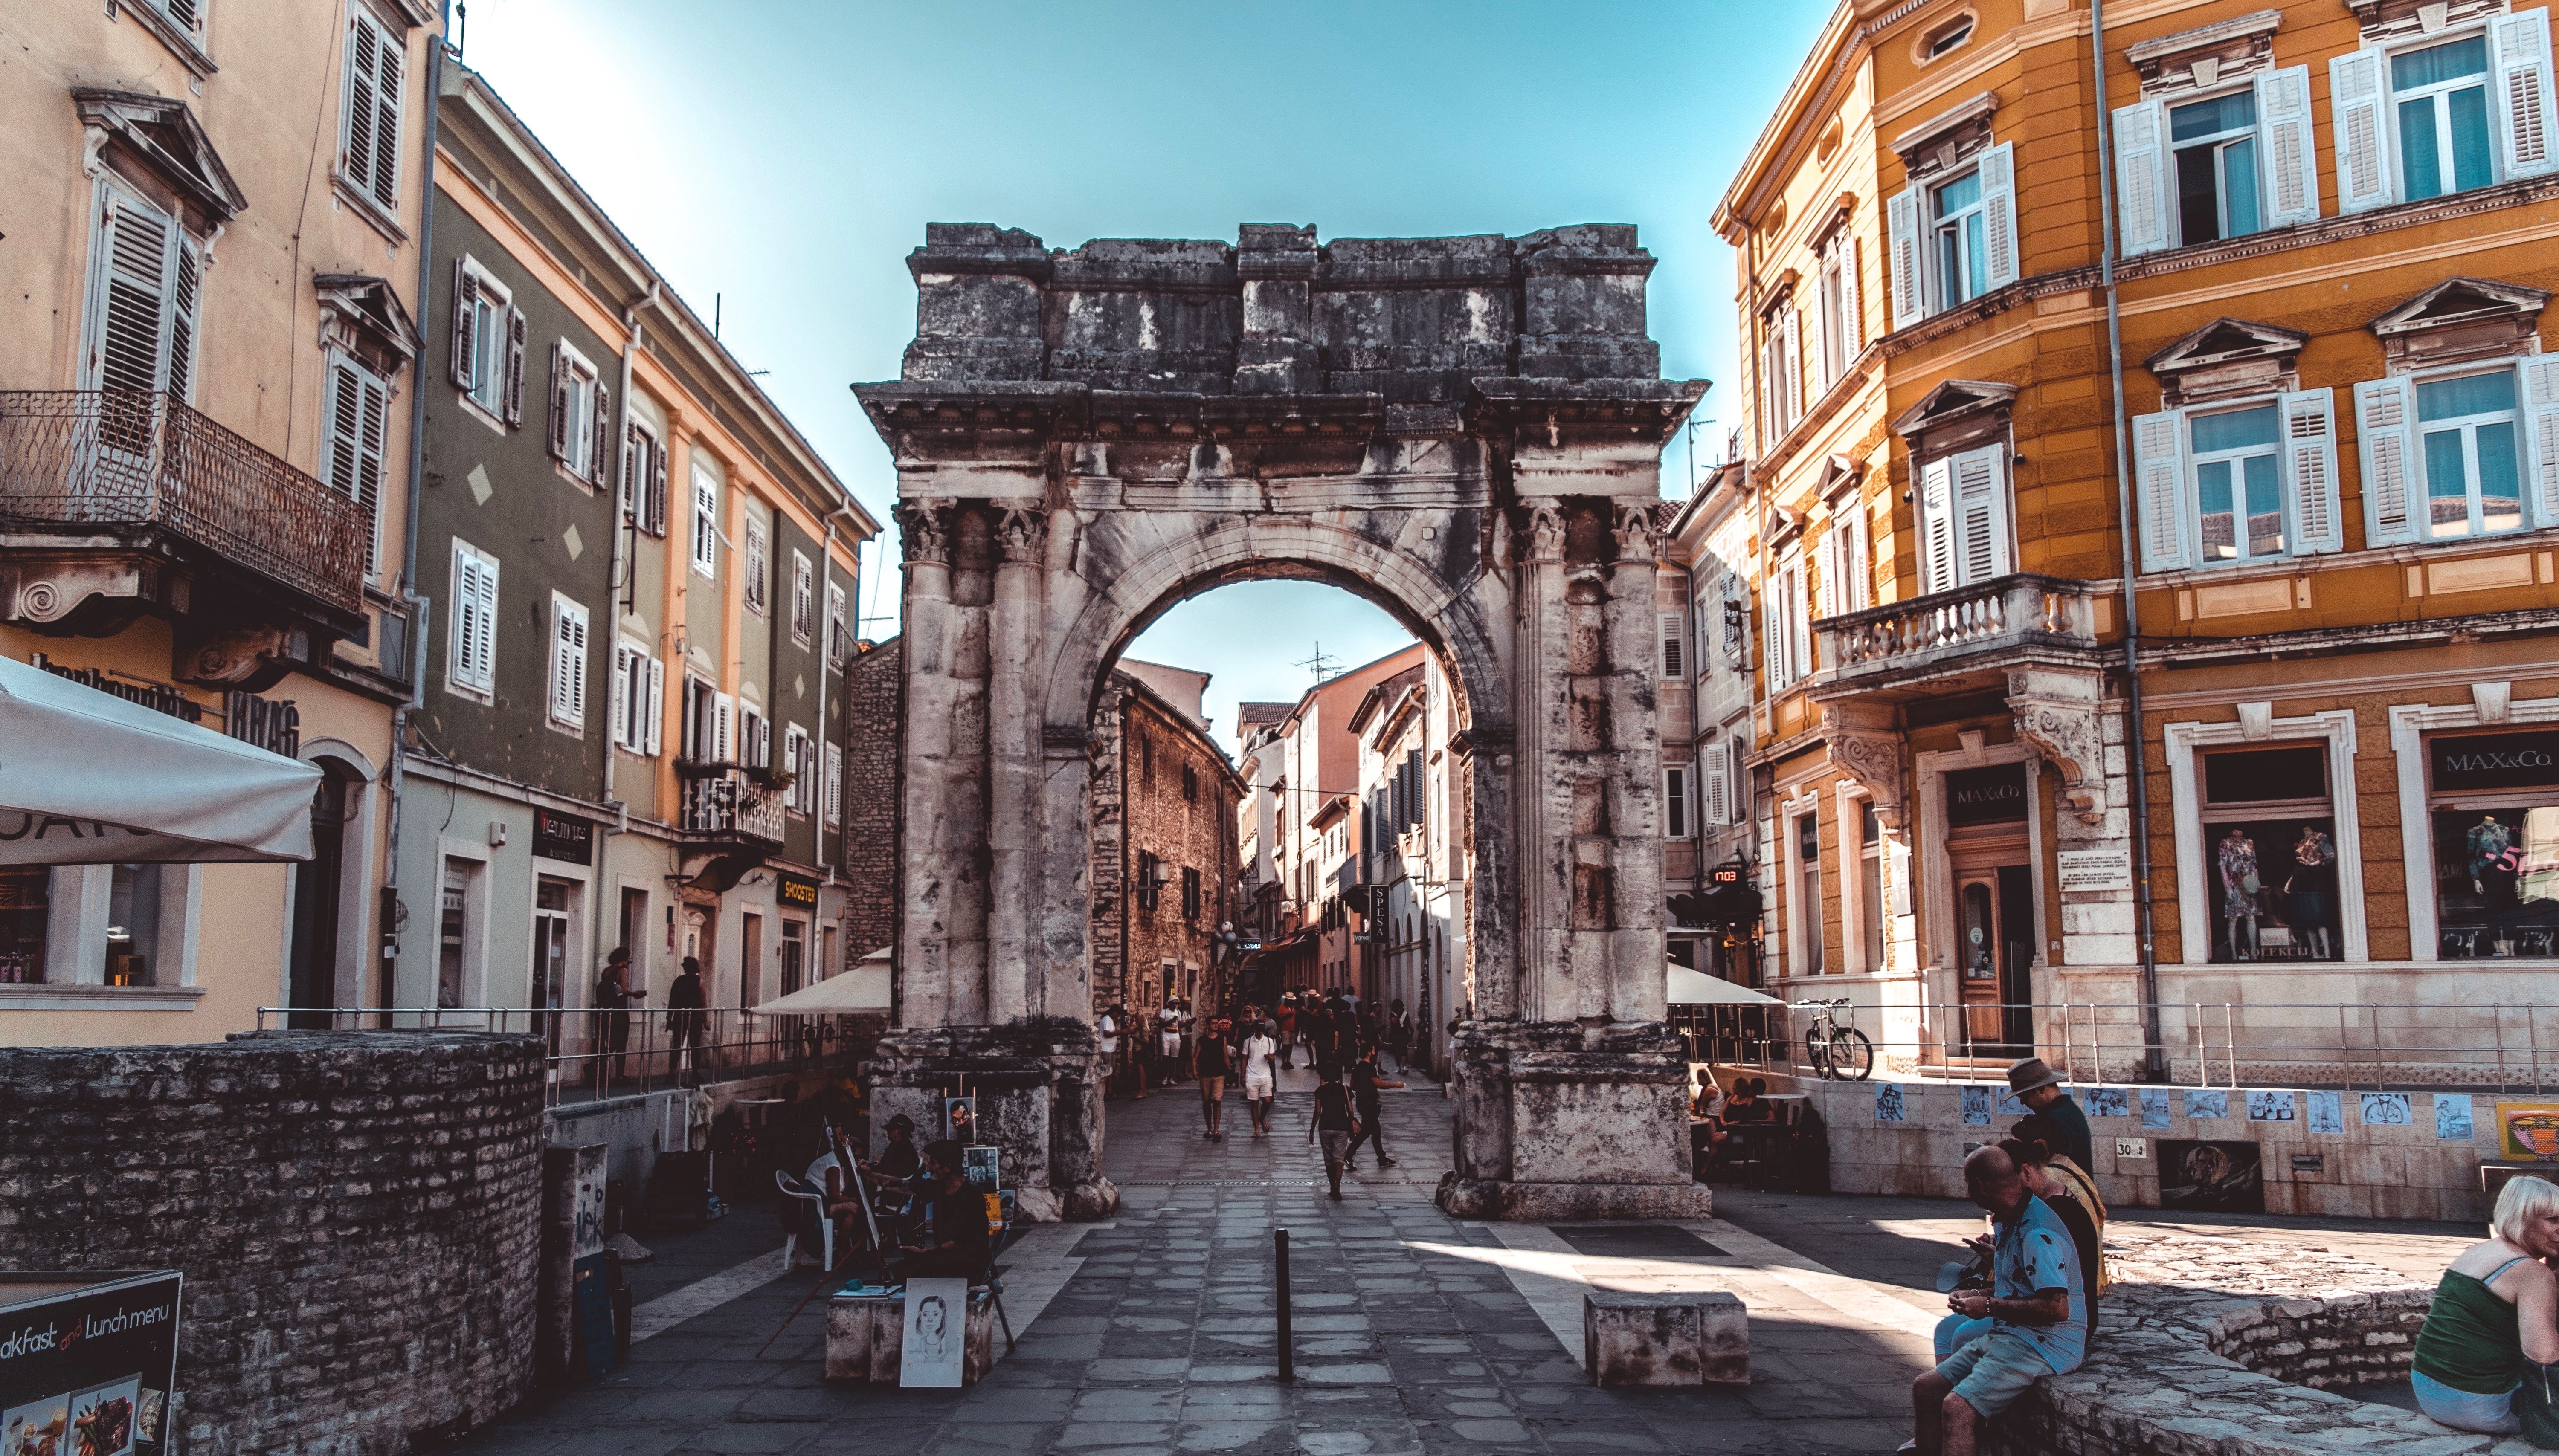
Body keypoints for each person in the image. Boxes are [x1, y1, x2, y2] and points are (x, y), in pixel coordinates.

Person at [1906, 1145, 2088, 1456]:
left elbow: (2057, 1308)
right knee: (1926, 1388)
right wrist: (1976, 1295)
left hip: (2046, 1344)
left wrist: (1988, 1307)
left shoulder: (2037, 1232)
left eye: (1968, 1183)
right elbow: (2020, 1288)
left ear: (1978, 1185)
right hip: (2013, 1334)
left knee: (1957, 1407)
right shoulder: (2011, 1219)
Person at [2410, 1174, 2559, 1434]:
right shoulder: (2531, 1272)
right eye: (2553, 1220)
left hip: (2430, 1391)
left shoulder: (2481, 1251)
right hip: (2480, 1404)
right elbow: (2543, 1355)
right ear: (2521, 1219)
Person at [897, 1139, 992, 1280]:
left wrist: (926, 1252)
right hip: (949, 1257)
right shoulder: (940, 1186)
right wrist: (870, 1175)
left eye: (933, 1163)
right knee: (903, 1269)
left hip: (970, 1262)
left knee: (906, 1271)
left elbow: (961, 1242)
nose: (928, 1168)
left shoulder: (971, 1194)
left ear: (948, 1167)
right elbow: (904, 1186)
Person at [2005, 1058, 2092, 1171]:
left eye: (2023, 1097)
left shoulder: (2058, 1118)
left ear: (2041, 1090)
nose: (2022, 1102)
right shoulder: (2067, 1110)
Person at [2286, 825, 2338, 960]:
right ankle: (2316, 953)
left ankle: (2327, 953)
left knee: (2319, 916)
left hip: (2315, 878)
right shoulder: (2302, 841)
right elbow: (2298, 864)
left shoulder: (2320, 836)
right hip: (2300, 878)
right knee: (2307, 919)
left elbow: (2331, 855)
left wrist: (2314, 864)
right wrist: (2290, 881)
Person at [1310, 1066, 1360, 1201]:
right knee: (1339, 1157)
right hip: (1342, 1126)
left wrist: (1312, 1131)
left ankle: (1332, 1186)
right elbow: (1351, 1111)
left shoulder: (1321, 1091)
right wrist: (1351, 1127)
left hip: (1325, 1127)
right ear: (1338, 1077)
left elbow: (1318, 1112)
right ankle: (1337, 1185)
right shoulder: (1345, 1090)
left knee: (1329, 1159)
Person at [1347, 1054, 1402, 1170]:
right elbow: (1379, 1084)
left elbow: (1352, 1086)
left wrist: (1363, 1088)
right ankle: (1348, 1156)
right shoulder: (1370, 1068)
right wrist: (1396, 1085)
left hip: (1362, 1103)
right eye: (1373, 1051)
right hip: (1370, 1105)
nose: (1375, 1055)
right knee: (1366, 1132)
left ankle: (1382, 1158)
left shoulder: (1357, 1068)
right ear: (1369, 1053)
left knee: (1376, 1132)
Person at [594, 947, 636, 1087]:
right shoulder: (623, 971)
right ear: (625, 959)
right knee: (621, 1043)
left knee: (608, 1040)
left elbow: (614, 989)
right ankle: (619, 1076)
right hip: (619, 1011)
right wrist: (636, 993)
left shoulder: (607, 971)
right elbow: (623, 990)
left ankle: (597, 1065)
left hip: (605, 1011)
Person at [2218, 825, 2262, 959]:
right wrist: (2228, 888)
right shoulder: (2225, 843)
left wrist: (2256, 884)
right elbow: (2223, 866)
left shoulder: (2250, 843)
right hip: (2235, 884)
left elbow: (2254, 865)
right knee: (2233, 919)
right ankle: (2233, 953)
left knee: (2251, 917)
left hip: (2249, 884)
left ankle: (2254, 953)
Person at [666, 956, 709, 1081]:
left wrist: (669, 1018)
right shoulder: (700, 982)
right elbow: (703, 1003)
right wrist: (706, 1020)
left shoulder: (678, 981)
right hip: (695, 1016)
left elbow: (672, 1001)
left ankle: (672, 1073)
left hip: (680, 1015)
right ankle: (695, 1074)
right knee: (695, 1046)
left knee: (677, 1045)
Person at [1196, 1016, 1235, 1140]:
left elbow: (1225, 1055)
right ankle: (1209, 1129)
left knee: (1217, 1100)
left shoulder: (1222, 1039)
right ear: (1208, 1025)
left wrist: (1230, 1070)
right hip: (1205, 1074)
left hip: (1219, 1073)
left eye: (1217, 1023)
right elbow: (1195, 1056)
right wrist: (1194, 1070)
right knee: (1207, 1102)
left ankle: (1217, 1131)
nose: (1216, 1025)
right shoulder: (1201, 1040)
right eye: (1213, 1023)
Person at [1240, 1016, 1279, 1137]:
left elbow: (1273, 1059)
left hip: (1266, 1075)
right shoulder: (1248, 1042)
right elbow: (1244, 1059)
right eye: (1258, 1030)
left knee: (1267, 1101)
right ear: (1255, 1030)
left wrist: (1270, 1058)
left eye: (1262, 1030)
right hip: (1252, 1075)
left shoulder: (1269, 1042)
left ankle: (1262, 1119)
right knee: (1254, 1103)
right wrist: (1242, 1075)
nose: (1260, 1032)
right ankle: (1257, 1129)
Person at [1384, 999, 1413, 1075]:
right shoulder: (1392, 1014)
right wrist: (1398, 1014)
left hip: (1403, 1034)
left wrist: (1411, 1029)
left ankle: (1404, 1067)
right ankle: (1398, 1067)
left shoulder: (1405, 1013)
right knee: (1397, 1051)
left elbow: (1409, 1022)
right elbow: (1394, 1022)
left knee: (1403, 1050)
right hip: (1396, 1034)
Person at [1274, 994, 1299, 1070]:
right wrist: (1288, 1014)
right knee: (1285, 1046)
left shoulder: (1292, 1007)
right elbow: (1279, 1018)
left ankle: (1288, 1061)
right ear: (1287, 1000)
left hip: (1292, 1029)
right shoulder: (1282, 1007)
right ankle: (1284, 1062)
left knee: (1291, 1046)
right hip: (1285, 1029)